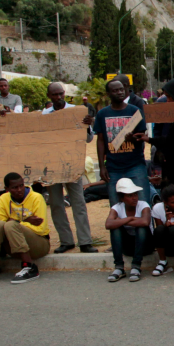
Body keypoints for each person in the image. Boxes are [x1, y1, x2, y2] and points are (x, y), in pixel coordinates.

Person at [42, 82, 97, 254]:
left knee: (78, 202)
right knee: (56, 204)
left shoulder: (77, 111)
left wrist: (87, 125)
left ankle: (85, 241)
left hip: (72, 163)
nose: (59, 97)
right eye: (55, 95)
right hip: (52, 165)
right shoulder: (44, 115)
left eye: (61, 94)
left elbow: (89, 139)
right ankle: (66, 241)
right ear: (49, 96)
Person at [0, 172, 50, 284]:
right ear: (7, 189)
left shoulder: (36, 198)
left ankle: (29, 267)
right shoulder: (3, 199)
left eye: (21, 185)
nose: (19, 190)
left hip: (39, 244)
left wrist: (15, 223)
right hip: (13, 246)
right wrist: (25, 220)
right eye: (14, 187)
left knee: (10, 225)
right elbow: (2, 224)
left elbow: (40, 228)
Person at [93, 79, 150, 205]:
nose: (120, 92)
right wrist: (102, 166)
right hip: (113, 167)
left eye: (121, 89)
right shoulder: (102, 114)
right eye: (115, 90)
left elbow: (142, 137)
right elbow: (100, 140)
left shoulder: (135, 111)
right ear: (108, 94)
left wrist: (133, 139)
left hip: (135, 165)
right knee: (116, 204)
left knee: (143, 203)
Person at [105, 178, 152, 282]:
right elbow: (108, 224)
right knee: (115, 229)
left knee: (141, 228)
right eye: (130, 195)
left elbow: (145, 222)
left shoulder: (143, 205)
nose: (134, 198)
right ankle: (119, 267)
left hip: (145, 246)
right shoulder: (117, 207)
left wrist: (121, 220)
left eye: (135, 194)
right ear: (122, 198)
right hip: (128, 247)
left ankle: (136, 266)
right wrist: (130, 219)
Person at [150, 184, 174, 277]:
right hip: (167, 245)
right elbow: (160, 231)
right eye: (173, 202)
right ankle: (162, 261)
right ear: (165, 203)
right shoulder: (157, 208)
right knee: (159, 229)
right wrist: (166, 222)